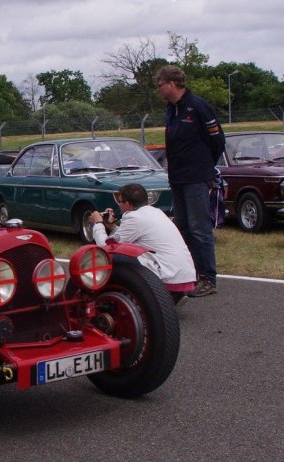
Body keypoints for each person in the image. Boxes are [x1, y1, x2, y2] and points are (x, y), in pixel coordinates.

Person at [156, 65, 225, 298]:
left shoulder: (198, 106)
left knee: (199, 228)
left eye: (160, 85)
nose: (159, 90)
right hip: (177, 177)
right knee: (182, 227)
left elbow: (217, 141)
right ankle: (190, 273)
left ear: (171, 84)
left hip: (196, 177)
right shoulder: (171, 109)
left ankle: (208, 278)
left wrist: (204, 167)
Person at [90, 183, 196, 304]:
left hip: (168, 277)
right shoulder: (155, 212)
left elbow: (106, 248)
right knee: (131, 251)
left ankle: (120, 298)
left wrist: (98, 224)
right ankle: (172, 297)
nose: (119, 204)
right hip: (183, 275)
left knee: (116, 258)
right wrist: (111, 226)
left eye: (120, 201)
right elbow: (128, 236)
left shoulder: (134, 217)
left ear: (128, 204)